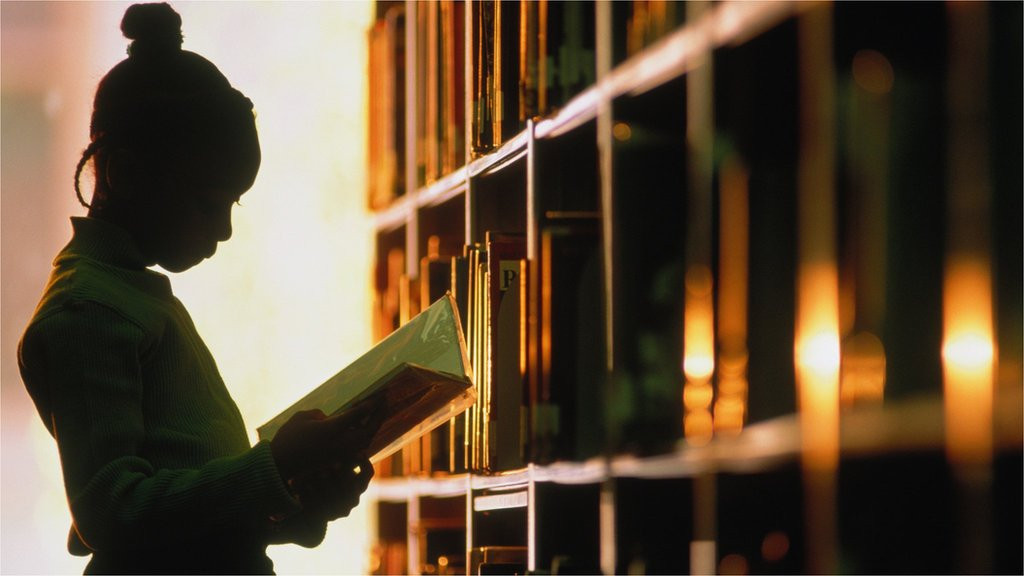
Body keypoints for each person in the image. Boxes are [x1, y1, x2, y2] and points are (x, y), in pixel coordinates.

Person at [17, 3, 379, 574]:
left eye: (233, 204)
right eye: (209, 204)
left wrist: (296, 494)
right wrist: (270, 468)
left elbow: (190, 516)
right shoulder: (88, 311)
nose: (226, 229)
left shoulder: (132, 297)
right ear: (124, 175)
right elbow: (114, 515)